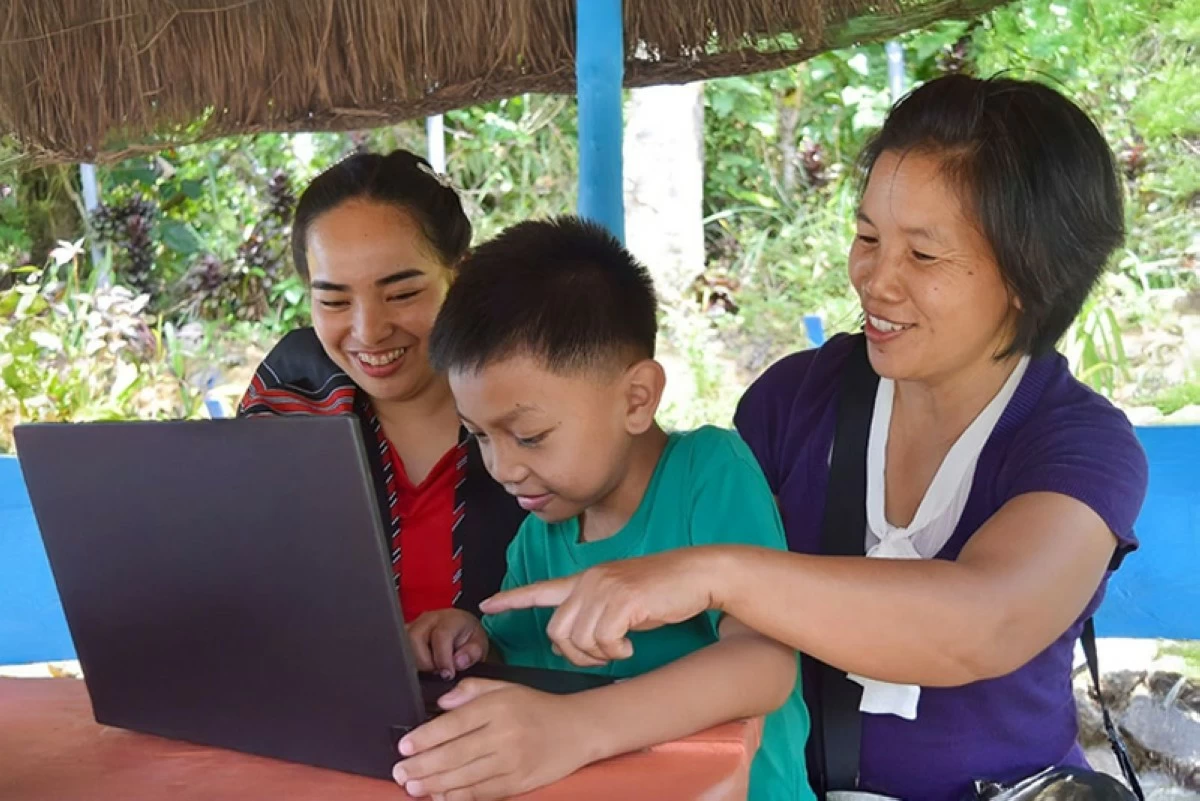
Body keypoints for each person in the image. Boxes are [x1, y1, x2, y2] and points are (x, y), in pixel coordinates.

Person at [483, 75, 1150, 801]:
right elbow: (685, 597)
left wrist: (719, 571)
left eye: (923, 256)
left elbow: (984, 620)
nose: (875, 278)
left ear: (1030, 276)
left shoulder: (1077, 445)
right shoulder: (795, 401)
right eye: (867, 236)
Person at [390, 217, 813, 801]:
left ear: (636, 399)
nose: (503, 467)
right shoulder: (540, 532)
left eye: (530, 436)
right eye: (480, 436)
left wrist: (577, 729)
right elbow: (525, 661)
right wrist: (473, 646)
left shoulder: (708, 473)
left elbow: (763, 666)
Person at [238, 150, 526, 638]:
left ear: (461, 274)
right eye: (333, 300)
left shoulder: (531, 393)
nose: (369, 332)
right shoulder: (296, 395)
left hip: (527, 700)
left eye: (402, 294)